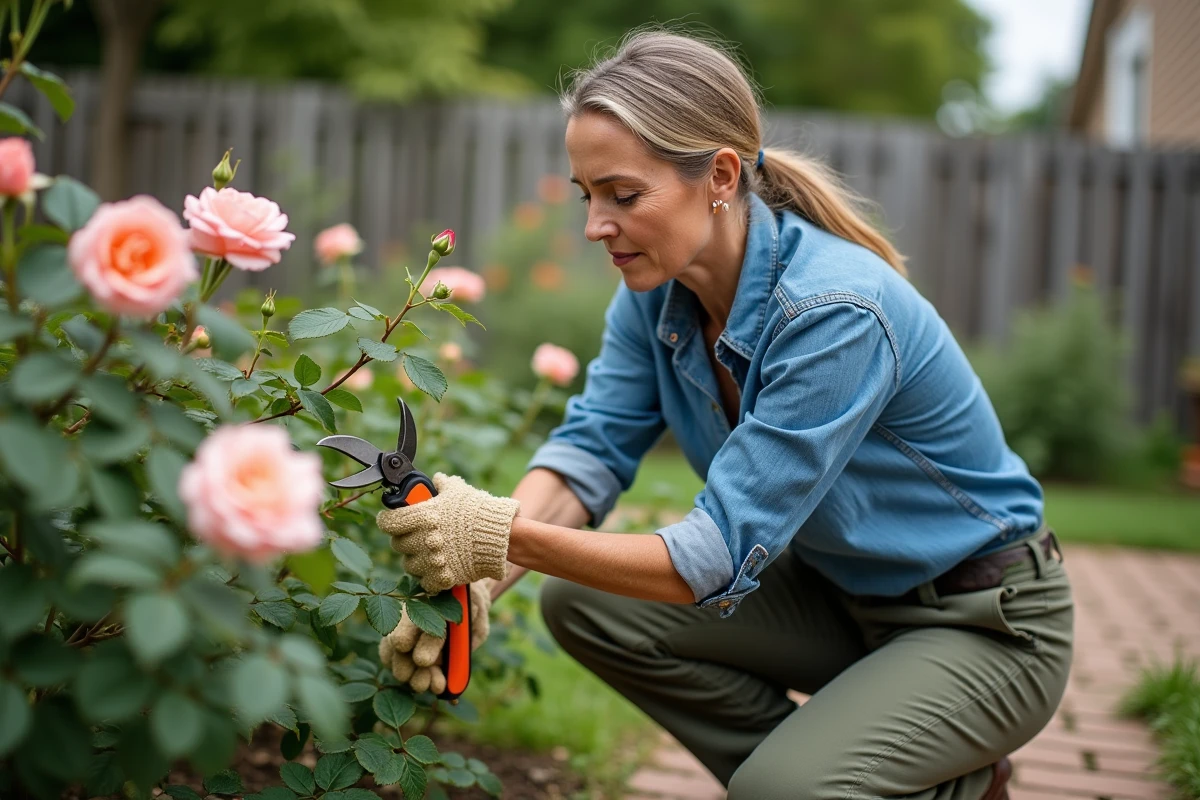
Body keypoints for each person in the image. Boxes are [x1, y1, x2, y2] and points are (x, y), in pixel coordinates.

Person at [377, 29, 1073, 800]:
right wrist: (483, 581)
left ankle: (918, 783)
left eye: (623, 195)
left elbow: (709, 560)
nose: (594, 226)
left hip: (982, 621)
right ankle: (864, 770)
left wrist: (498, 536)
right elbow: (592, 448)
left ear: (719, 175)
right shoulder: (658, 294)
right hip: (845, 600)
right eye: (588, 196)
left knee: (782, 789)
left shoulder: (833, 311)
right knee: (582, 603)